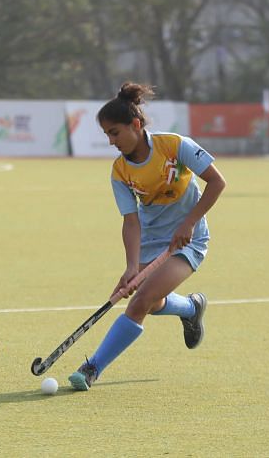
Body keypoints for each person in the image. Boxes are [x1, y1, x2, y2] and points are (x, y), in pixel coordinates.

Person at [68, 82, 227, 391]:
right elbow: (130, 221)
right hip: (153, 240)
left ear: (136, 125)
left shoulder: (174, 145)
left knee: (140, 301)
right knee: (152, 302)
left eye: (115, 133)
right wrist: (131, 266)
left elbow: (217, 182)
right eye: (107, 135)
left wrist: (190, 223)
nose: (112, 141)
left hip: (188, 238)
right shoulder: (120, 171)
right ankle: (192, 308)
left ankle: (92, 368)